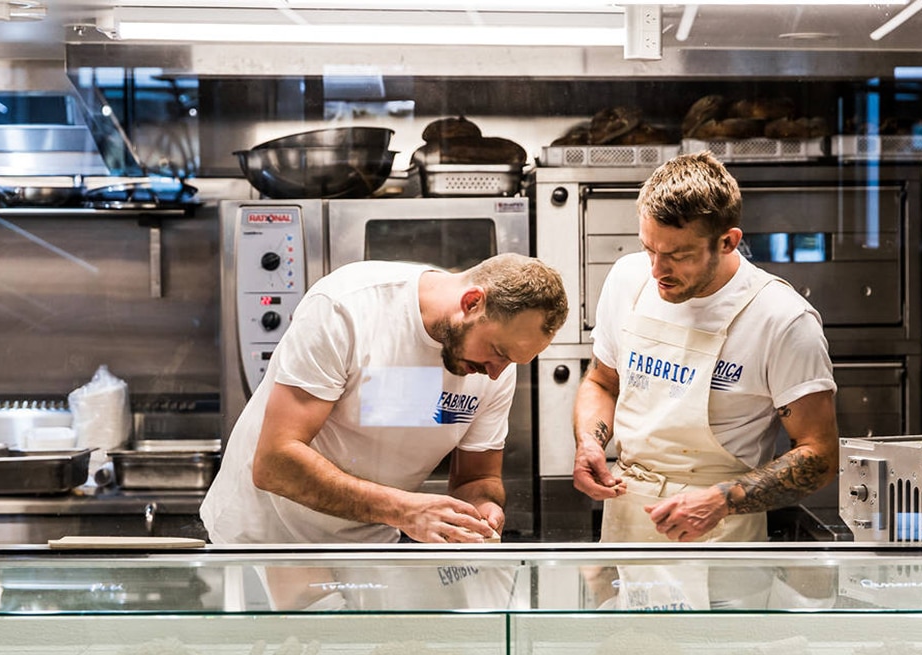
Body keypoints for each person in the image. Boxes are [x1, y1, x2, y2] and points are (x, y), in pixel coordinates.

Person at [202, 253, 567, 609]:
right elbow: (275, 462)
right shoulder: (346, 308)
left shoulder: (491, 370)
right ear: (472, 302)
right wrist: (405, 511)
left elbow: (478, 476)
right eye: (497, 352)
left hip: (369, 543)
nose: (496, 373)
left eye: (512, 361)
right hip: (269, 539)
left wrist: (481, 508)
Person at [571, 151, 839, 609]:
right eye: (649, 248)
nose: (657, 270)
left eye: (678, 255)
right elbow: (602, 382)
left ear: (728, 241)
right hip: (627, 519)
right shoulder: (628, 280)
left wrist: (723, 501)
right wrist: (590, 443)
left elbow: (819, 454)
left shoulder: (781, 319)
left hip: (721, 533)